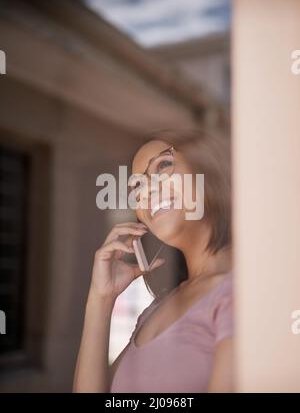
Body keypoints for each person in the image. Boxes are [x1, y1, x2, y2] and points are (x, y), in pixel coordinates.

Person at [73, 128, 234, 393]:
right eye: (136, 185)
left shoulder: (238, 294)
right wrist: (100, 299)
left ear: (211, 171)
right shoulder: (155, 310)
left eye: (164, 165)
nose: (145, 191)